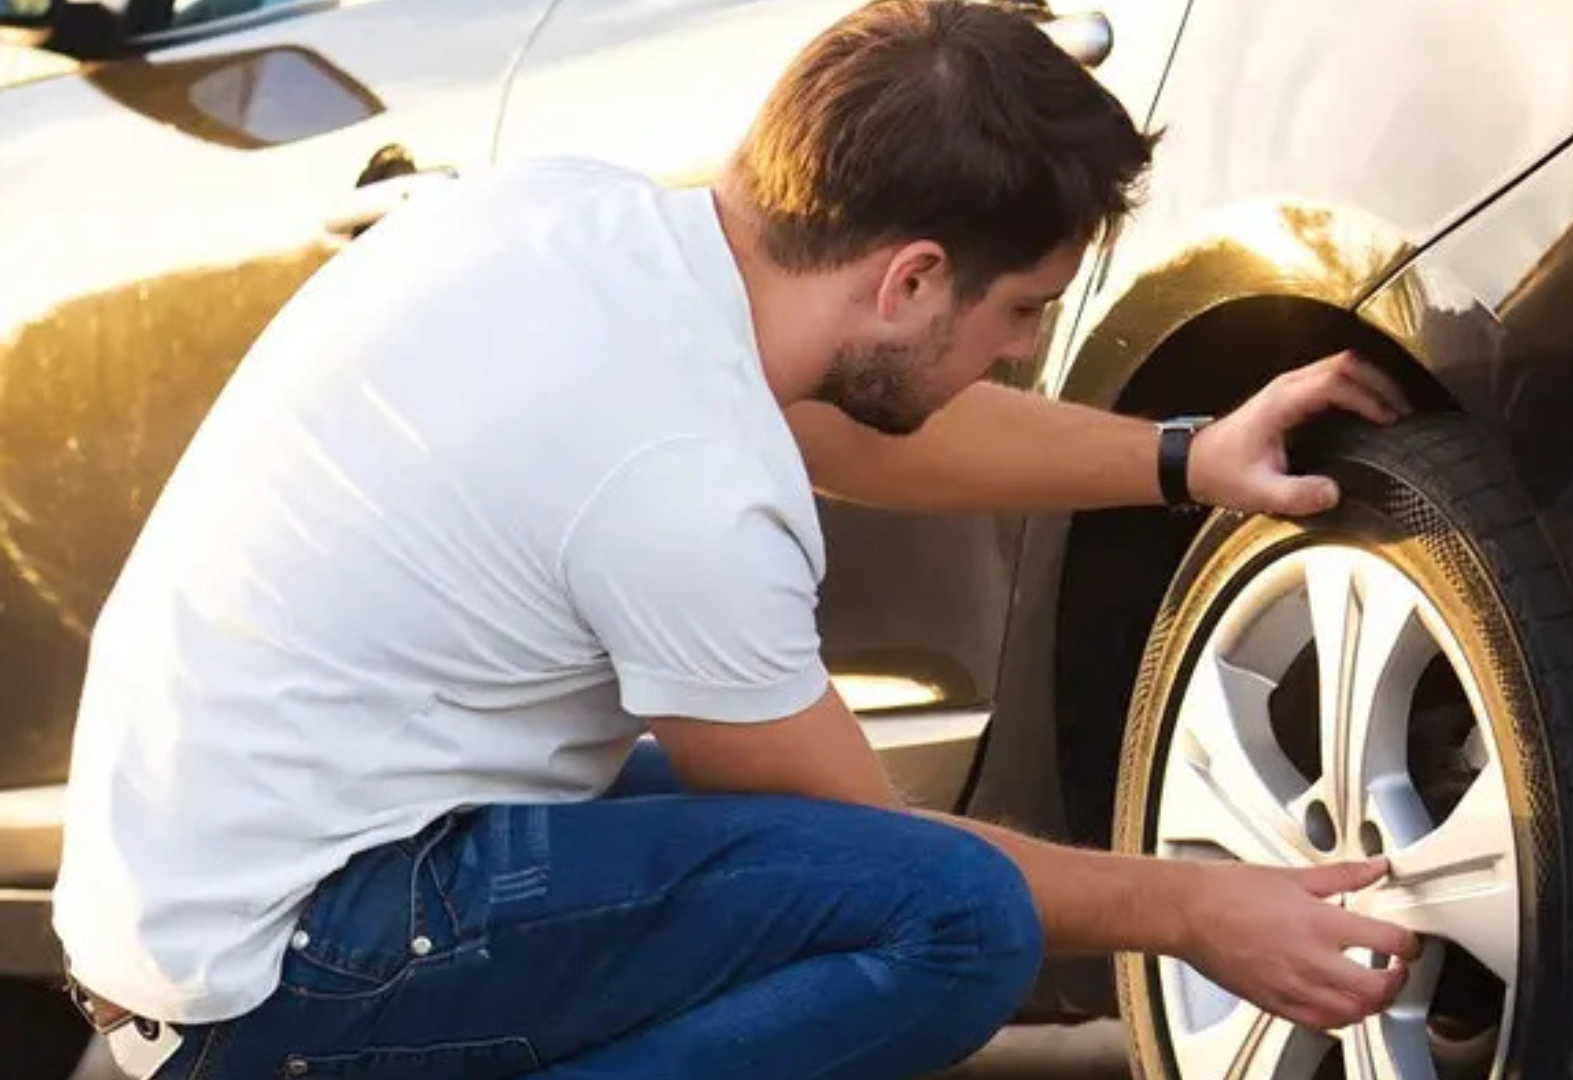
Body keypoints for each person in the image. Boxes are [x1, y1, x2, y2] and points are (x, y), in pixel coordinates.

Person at [53, 2, 1422, 1078]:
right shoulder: (690, 487)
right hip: (282, 977)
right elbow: (874, 855)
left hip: (208, 906)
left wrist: (1183, 458)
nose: (1024, 354)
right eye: (1021, 317)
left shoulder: (579, 227)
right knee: (957, 924)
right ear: (912, 279)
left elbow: (853, 424)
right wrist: (1198, 909)